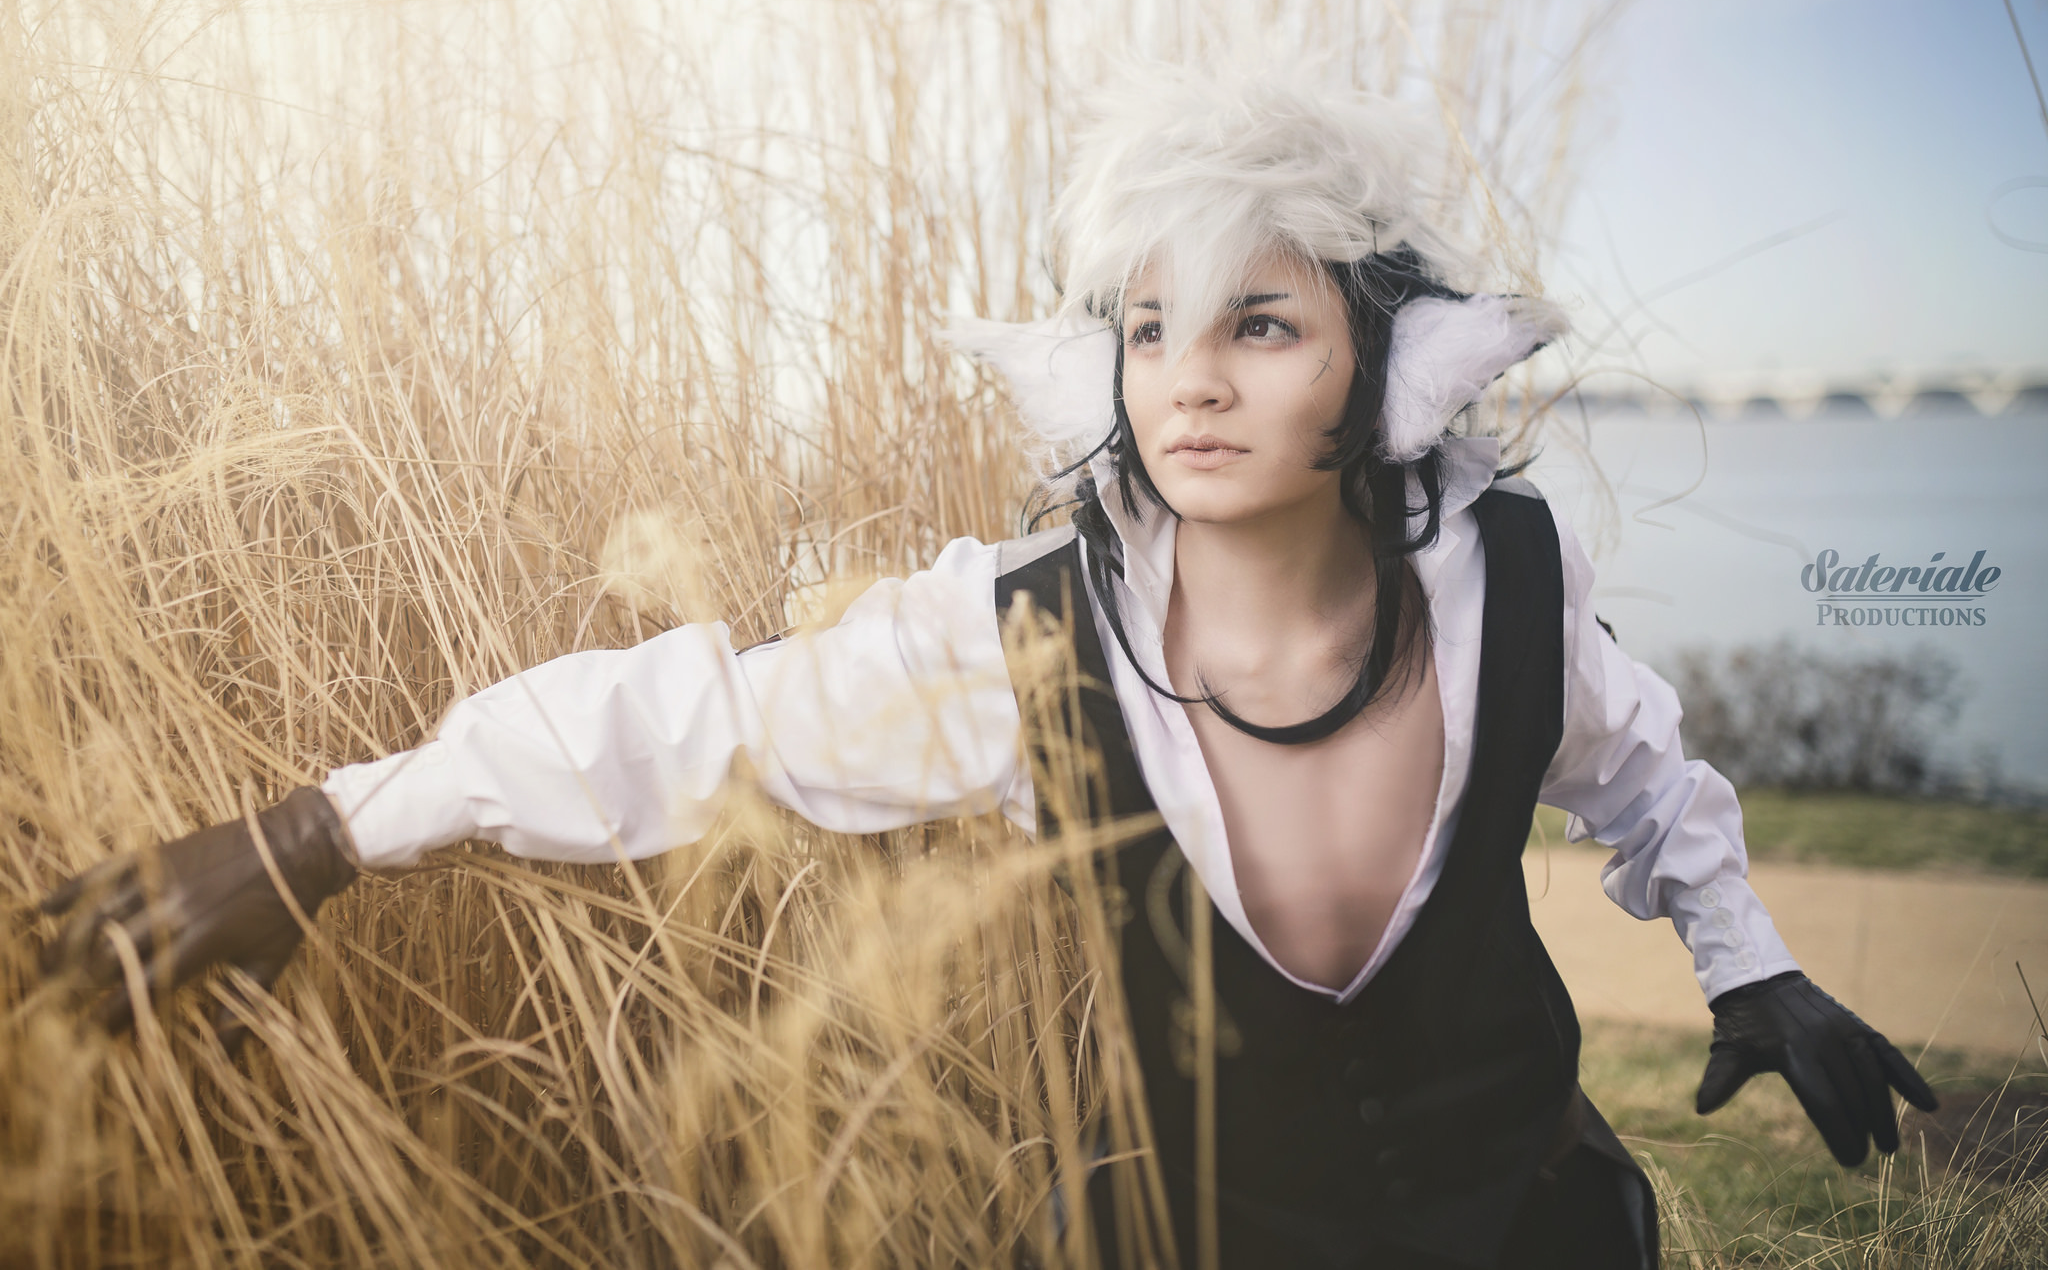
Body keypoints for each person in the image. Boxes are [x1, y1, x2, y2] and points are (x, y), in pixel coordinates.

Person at [40, 64, 1935, 1269]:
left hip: (1526, 1228)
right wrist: (326, 827)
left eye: (1261, 324)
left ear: (1377, 355)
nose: (1192, 378)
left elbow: (1637, 763)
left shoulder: (1507, 581)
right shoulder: (1024, 638)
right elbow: (692, 720)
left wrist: (1748, 959)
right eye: (1149, 328)